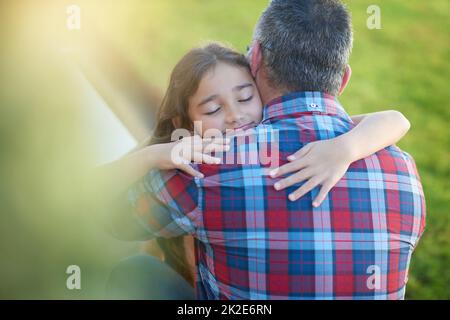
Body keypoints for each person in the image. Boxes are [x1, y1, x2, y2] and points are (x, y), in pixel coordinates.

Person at [103, 0, 425, 300]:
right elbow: (394, 119)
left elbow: (115, 221)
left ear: (254, 59)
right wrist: (347, 145)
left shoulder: (208, 165)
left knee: (136, 271)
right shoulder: (404, 174)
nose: (233, 115)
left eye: (243, 98)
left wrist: (153, 154)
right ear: (343, 80)